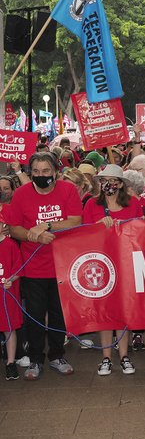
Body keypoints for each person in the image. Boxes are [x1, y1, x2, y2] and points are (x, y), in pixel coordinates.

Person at [6, 152, 82, 380]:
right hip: (33, 268)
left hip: (63, 265)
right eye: (36, 172)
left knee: (59, 314)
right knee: (35, 315)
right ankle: (36, 359)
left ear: (55, 172)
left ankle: (58, 355)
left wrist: (47, 225)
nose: (41, 175)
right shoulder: (20, 194)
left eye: (46, 171)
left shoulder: (68, 190)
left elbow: (75, 221)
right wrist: (34, 237)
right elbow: (14, 227)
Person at [83, 165, 143, 376]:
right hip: (101, 266)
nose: (108, 184)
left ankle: (124, 355)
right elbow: (83, 234)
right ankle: (106, 358)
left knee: (123, 310)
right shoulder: (91, 204)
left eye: (113, 180)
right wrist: (98, 225)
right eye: (104, 180)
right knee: (105, 312)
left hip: (125, 263)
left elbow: (140, 232)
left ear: (121, 184)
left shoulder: (133, 203)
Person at [0, 222, 22, 381]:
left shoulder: (10, 245)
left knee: (9, 328)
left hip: (7, 295)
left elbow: (19, 268)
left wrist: (11, 279)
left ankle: (11, 362)